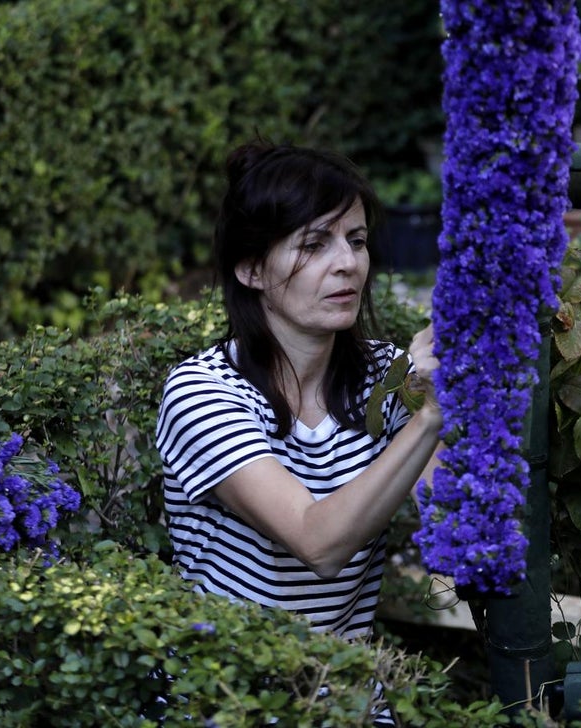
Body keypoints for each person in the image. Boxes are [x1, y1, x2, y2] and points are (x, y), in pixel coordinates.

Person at [154, 140, 442, 722]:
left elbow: (447, 512)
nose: (347, 264)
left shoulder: (380, 381)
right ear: (251, 268)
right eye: (315, 244)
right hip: (229, 702)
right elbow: (318, 543)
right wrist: (435, 414)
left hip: (348, 706)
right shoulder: (203, 392)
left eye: (356, 241)